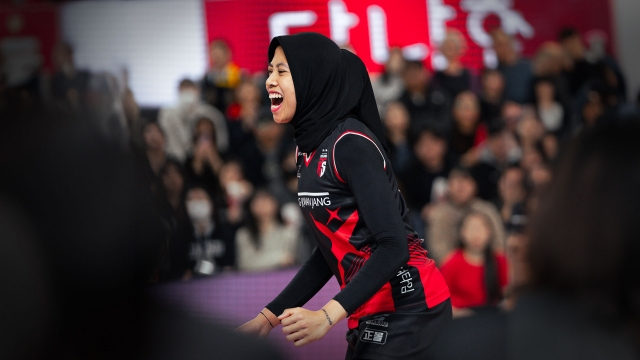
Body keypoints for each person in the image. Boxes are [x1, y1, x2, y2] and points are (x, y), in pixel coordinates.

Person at [238, 32, 451, 359]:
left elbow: (393, 246)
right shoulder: (306, 149)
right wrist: (268, 318)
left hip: (411, 309)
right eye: (269, 71)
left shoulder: (349, 144)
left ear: (312, 77)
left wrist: (326, 316)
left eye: (282, 71)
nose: (269, 80)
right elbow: (330, 250)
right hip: (366, 311)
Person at [440, 212, 508, 316]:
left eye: (480, 228)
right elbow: (439, 299)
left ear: (490, 232)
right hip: (461, 319)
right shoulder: (452, 262)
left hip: (493, 316)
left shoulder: (499, 260)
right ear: (462, 232)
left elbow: (508, 292)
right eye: (471, 228)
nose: (476, 233)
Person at [235, 189, 298, 272]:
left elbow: (289, 260)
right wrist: (279, 258)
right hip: (251, 280)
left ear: (275, 204)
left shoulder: (289, 233)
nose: (262, 205)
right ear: (251, 206)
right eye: (258, 202)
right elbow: (245, 263)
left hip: (281, 279)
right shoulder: (243, 234)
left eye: (266, 200)